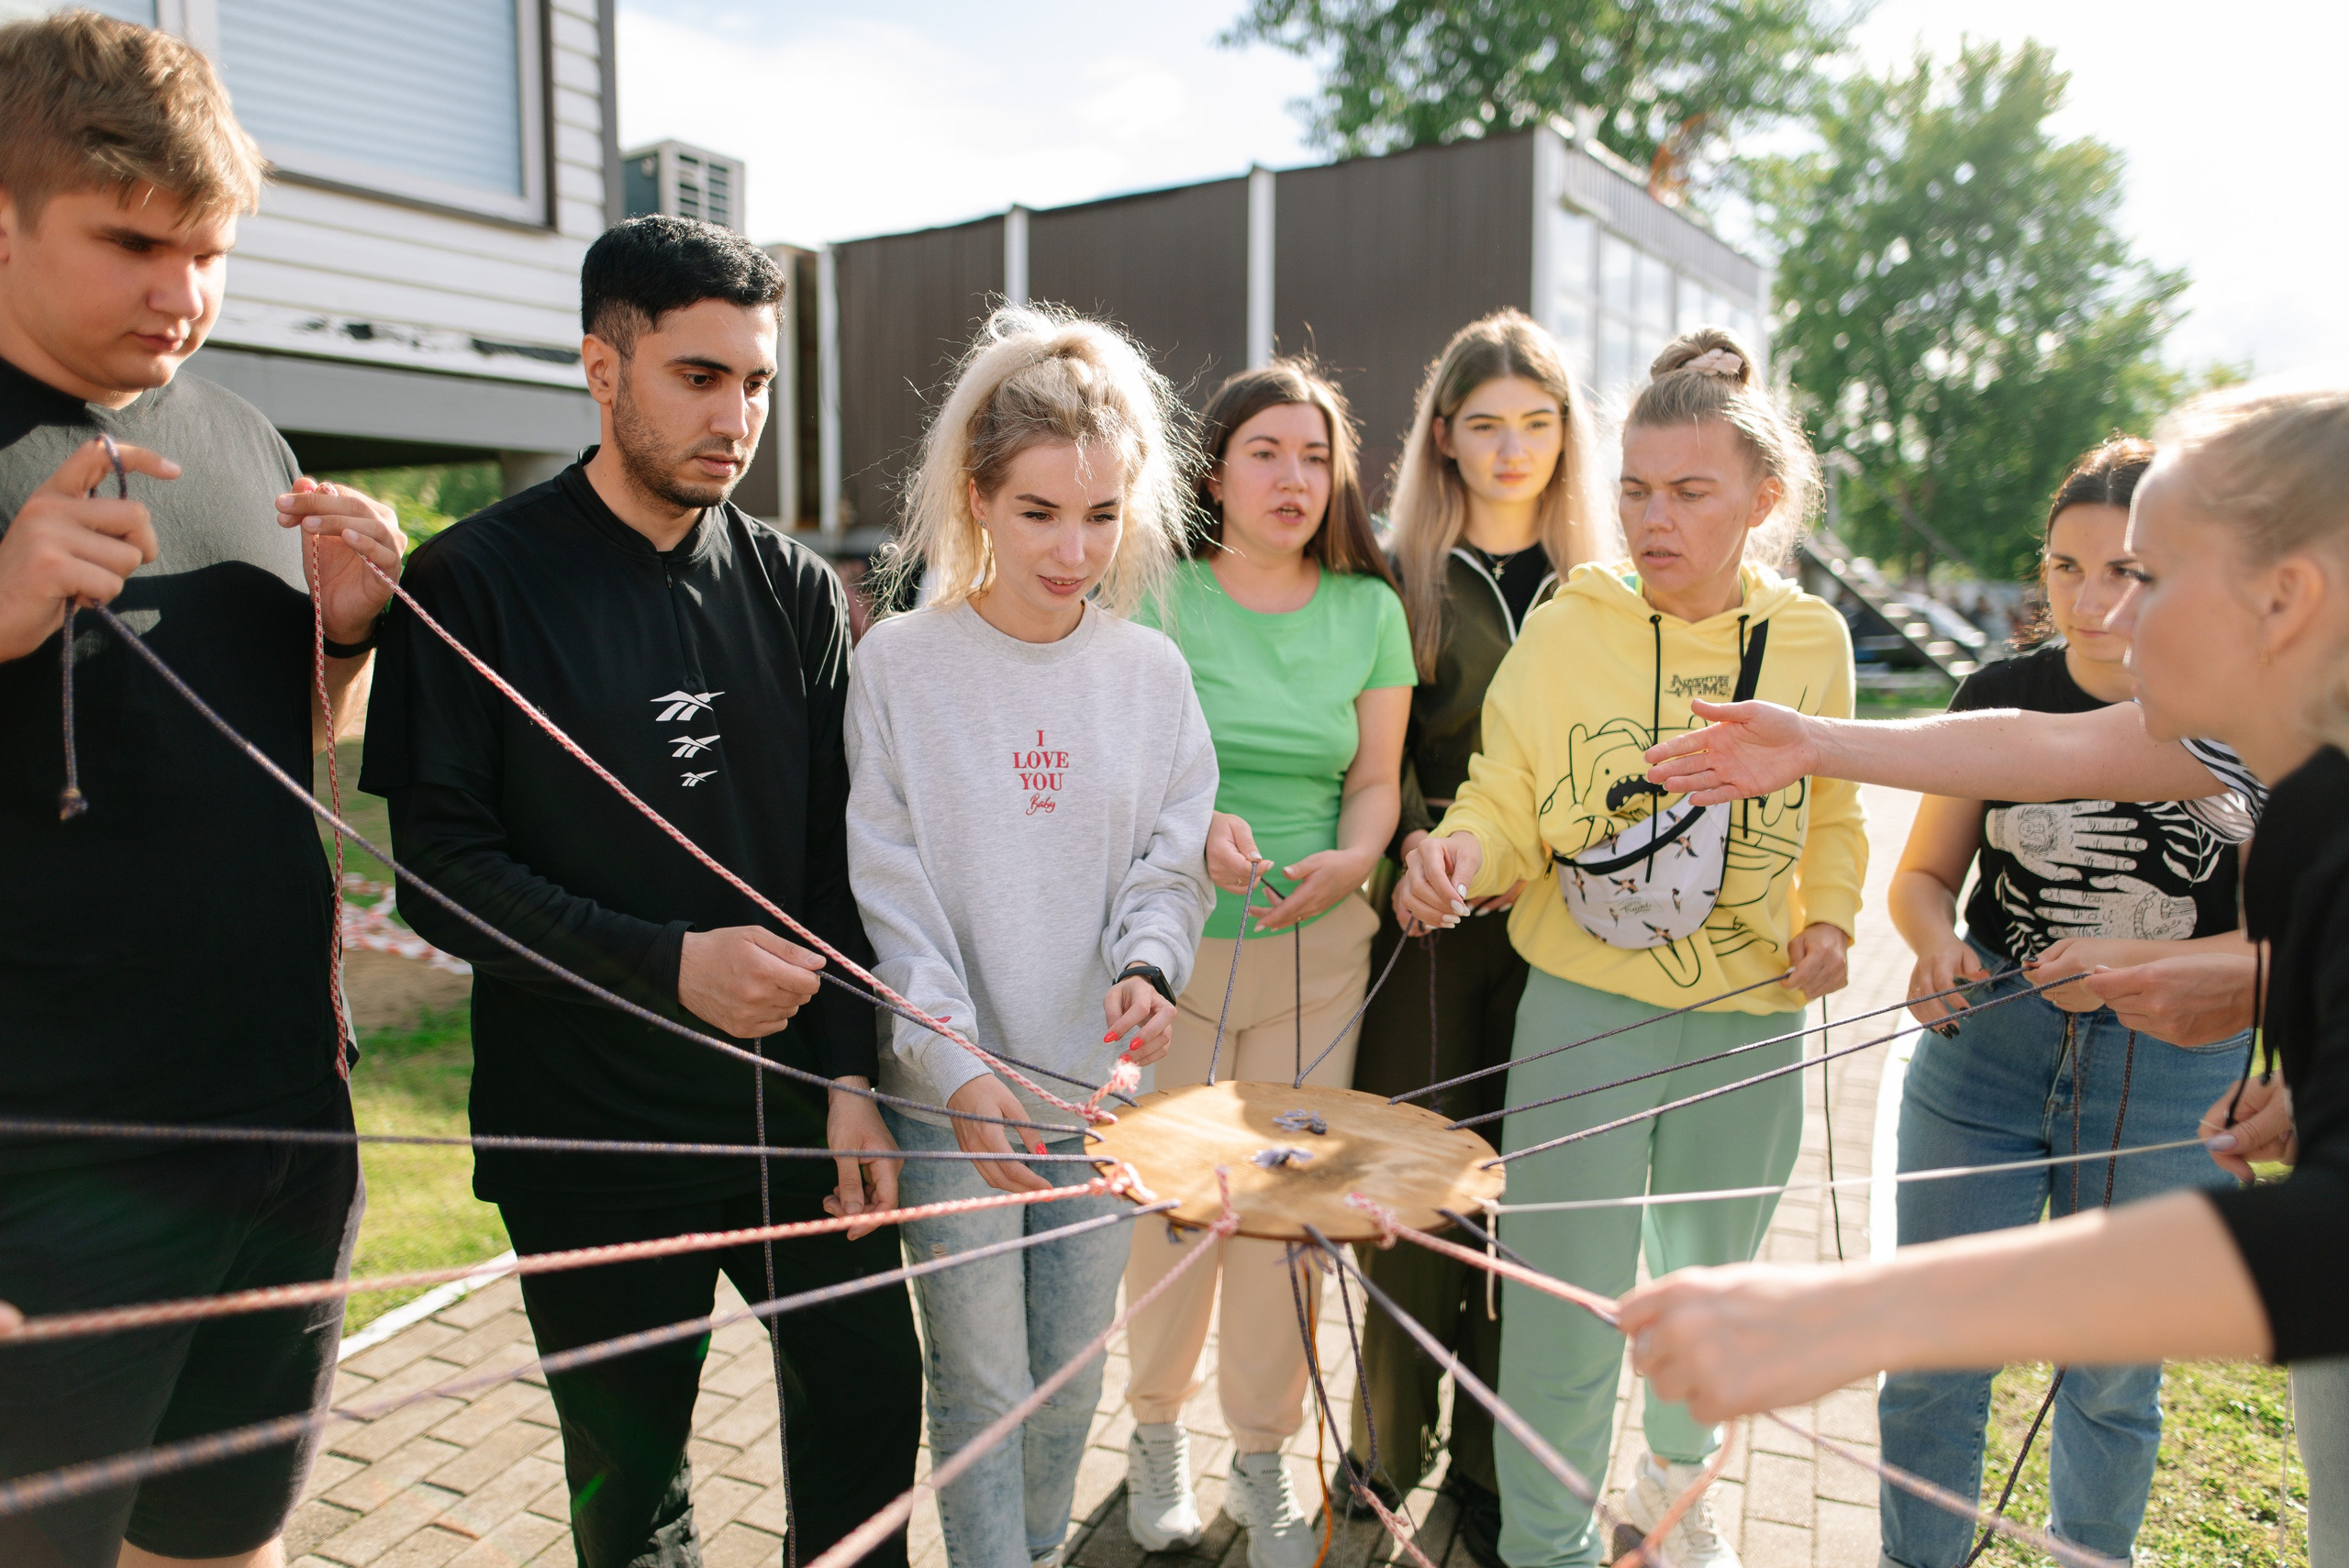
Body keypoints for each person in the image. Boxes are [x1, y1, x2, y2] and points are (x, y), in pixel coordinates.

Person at [1616, 377, 2349, 1568]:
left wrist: (1855, 1312)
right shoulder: (2279, 746)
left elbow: (2325, 1248)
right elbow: (2045, 745)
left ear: (2287, 598)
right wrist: (1812, 741)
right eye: (2086, 571)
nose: (2108, 615)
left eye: (2150, 576)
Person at [362, 216, 918, 1568]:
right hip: (590, 1137)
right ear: (602, 370)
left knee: (868, 1427)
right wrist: (667, 962)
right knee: (635, 1495)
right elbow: (438, 876)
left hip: (796, 1123)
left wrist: (853, 1072)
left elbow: (839, 862)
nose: (738, 417)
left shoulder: (791, 587)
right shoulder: (471, 584)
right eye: (699, 375)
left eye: (758, 382)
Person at [0, 16, 406, 1568]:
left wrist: (348, 632)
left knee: (226, 1540)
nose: (183, 295)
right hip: (47, 1184)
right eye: (132, 243)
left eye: (213, 251)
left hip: (285, 1137)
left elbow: (281, 744)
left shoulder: (242, 437)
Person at [1395, 328, 1867, 1568]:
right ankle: (1545, 1550)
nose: (1654, 519)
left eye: (1690, 492)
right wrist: (1459, 853)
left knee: (1709, 1302)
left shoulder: (1813, 638)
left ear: (1762, 500)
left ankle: (1670, 1501)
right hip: (1583, 1014)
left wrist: (1829, 919)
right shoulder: (1570, 622)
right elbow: (1505, 791)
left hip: (1750, 1024)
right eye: (1637, 490)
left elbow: (1836, 808)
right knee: (1559, 1308)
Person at [848, 305, 1217, 1568]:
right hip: (956, 1098)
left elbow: (1172, 860)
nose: (1075, 550)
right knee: (981, 1381)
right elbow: (889, 895)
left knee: (1067, 1376)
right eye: (1040, 513)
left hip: (1101, 1100)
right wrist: (951, 1064)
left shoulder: (1153, 678)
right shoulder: (899, 665)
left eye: (1103, 516)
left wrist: (1149, 966)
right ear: (977, 497)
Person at [1879, 439, 2253, 1568]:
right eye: (2062, 568)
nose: (2090, 603)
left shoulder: (2248, 716)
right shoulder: (1997, 697)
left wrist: (2160, 974)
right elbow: (1921, 877)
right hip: (1986, 1047)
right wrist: (1934, 942)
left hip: (2173, 1066)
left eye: (2124, 571)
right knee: (1935, 1346)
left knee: (2111, 1371)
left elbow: (2291, 934)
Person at [1119, 357, 1415, 1568]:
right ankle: (1150, 1435)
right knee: (1178, 1204)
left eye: (1314, 456)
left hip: (1322, 951)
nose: (1293, 477)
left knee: (1284, 1216)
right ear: (1216, 469)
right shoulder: (1157, 593)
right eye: (1265, 452)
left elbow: (1378, 779)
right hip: (1178, 944)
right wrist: (1196, 834)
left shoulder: (1370, 608)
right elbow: (1128, 770)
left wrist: (1356, 859)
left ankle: (1261, 1454)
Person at [1333, 310, 1609, 1562]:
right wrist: (1415, 864)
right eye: (1486, 424)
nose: (1511, 449)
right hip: (1429, 926)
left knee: (1535, 1200)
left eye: (1536, 424)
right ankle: (1391, 1439)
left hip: (1570, 933)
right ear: (1443, 436)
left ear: (1566, 436)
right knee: (1414, 1190)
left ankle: (1499, 1463)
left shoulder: (1606, 588)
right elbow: (1370, 764)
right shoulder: (1394, 574)